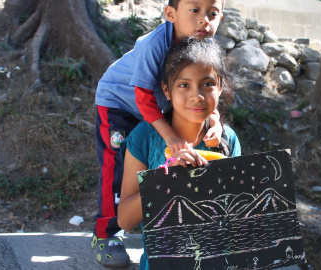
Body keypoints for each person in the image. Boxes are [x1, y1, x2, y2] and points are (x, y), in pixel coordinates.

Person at [92, 0, 226, 267]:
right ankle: (106, 233)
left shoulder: (205, 44)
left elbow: (210, 87)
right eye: (195, 11)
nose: (204, 20)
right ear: (170, 14)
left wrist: (215, 119)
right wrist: (170, 136)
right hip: (119, 103)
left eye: (212, 14)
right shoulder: (156, 44)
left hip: (155, 108)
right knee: (116, 167)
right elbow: (142, 99)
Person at [118, 38, 241, 270]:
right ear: (167, 89)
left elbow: (233, 219)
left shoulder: (227, 141)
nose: (197, 96)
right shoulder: (145, 137)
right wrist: (166, 180)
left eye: (207, 84)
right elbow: (125, 220)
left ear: (221, 85)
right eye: (184, 85)